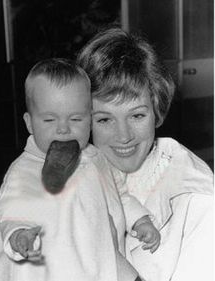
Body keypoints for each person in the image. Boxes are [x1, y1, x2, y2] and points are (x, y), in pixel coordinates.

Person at [0, 58, 156, 281]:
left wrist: (140, 220)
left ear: (89, 120)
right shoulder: (23, 170)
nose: (63, 129)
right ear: (29, 123)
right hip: (54, 268)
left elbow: (119, 194)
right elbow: (9, 214)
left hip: (101, 259)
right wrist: (18, 236)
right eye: (49, 120)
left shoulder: (95, 158)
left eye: (75, 118)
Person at [77, 27, 214, 281]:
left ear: (157, 109)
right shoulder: (76, 173)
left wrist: (112, 260)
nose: (124, 136)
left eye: (137, 115)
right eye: (105, 119)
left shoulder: (197, 197)